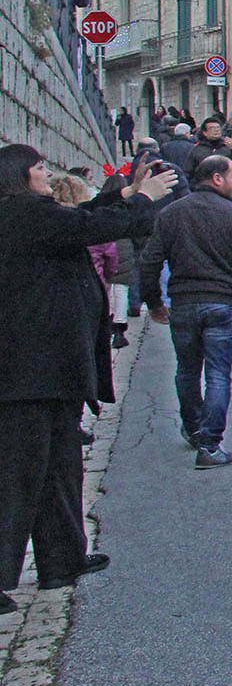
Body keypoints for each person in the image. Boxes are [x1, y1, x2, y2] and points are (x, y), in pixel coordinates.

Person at [0, 146, 175, 613]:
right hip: (27, 371)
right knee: (17, 476)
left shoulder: (34, 215)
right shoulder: (21, 214)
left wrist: (130, 190)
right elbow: (89, 225)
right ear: (18, 176)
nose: (46, 173)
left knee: (60, 468)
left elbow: (83, 217)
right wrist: (142, 198)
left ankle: (61, 559)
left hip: (49, 367)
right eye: (38, 167)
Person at [140, 156, 232, 469]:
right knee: (218, 373)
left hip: (183, 301)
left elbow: (150, 261)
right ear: (216, 178)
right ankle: (210, 443)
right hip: (222, 302)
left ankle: (195, 427)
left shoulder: (170, 213)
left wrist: (153, 301)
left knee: (186, 369)